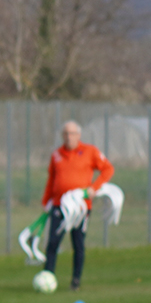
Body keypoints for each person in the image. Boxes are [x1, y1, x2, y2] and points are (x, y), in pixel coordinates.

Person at [43, 120, 115, 290]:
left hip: (80, 207)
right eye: (66, 134)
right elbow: (52, 179)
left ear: (78, 135)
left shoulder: (90, 151)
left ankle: (75, 280)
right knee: (52, 242)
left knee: (78, 243)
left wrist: (94, 188)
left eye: (72, 133)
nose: (69, 137)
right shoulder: (56, 155)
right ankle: (47, 276)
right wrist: (46, 200)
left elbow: (108, 169)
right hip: (59, 205)